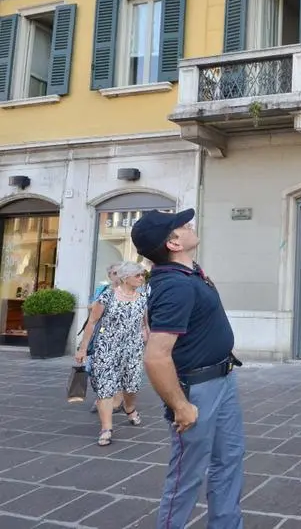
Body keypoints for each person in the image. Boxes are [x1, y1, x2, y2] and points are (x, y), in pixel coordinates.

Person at [130, 208, 244, 529]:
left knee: (229, 460)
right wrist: (180, 406)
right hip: (197, 390)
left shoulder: (188, 273)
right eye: (181, 225)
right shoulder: (175, 286)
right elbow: (155, 357)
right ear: (174, 243)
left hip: (222, 378)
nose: (189, 224)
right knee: (187, 475)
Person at [75, 261, 149, 446]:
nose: (142, 278)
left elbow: (144, 324)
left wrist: (149, 341)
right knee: (105, 388)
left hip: (133, 349)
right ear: (125, 277)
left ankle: (129, 407)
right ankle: (106, 428)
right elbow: (92, 322)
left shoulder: (143, 298)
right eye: (138, 275)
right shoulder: (108, 296)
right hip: (107, 348)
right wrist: (83, 348)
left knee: (131, 386)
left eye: (142, 275)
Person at [87, 262, 125, 415]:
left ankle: (117, 400)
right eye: (114, 273)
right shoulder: (102, 289)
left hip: (122, 335)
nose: (117, 276)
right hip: (102, 333)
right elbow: (92, 308)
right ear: (109, 275)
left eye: (120, 273)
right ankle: (103, 397)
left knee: (120, 367)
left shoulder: (130, 290)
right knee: (99, 368)